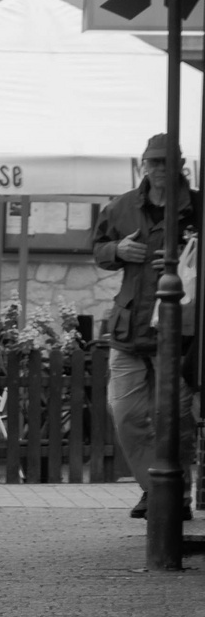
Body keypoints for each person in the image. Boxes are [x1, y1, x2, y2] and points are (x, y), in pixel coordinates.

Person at [92, 132, 197, 519]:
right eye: (153, 162)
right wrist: (117, 250)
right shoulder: (120, 208)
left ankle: (174, 493)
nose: (159, 169)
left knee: (177, 418)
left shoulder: (198, 207)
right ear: (143, 164)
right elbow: (99, 249)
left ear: (181, 165)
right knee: (127, 414)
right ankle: (155, 490)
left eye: (167, 162)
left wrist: (182, 266)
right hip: (129, 329)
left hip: (179, 331)